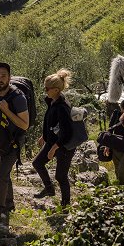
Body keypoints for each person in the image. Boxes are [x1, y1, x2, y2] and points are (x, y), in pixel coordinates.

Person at [0, 62, 29, 226]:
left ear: (9, 77)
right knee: (2, 173)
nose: (0, 79)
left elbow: (24, 125)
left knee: (0, 175)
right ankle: (9, 204)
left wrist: (7, 110)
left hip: (14, 141)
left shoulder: (18, 97)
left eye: (3, 76)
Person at [32, 69, 76, 207]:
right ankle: (49, 189)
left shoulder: (62, 107)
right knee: (37, 163)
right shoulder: (52, 102)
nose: (45, 91)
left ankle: (65, 204)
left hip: (64, 146)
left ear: (56, 90)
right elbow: (52, 123)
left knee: (61, 176)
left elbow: (66, 132)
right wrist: (44, 137)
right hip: (52, 142)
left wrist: (54, 149)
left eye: (47, 88)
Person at [106, 98, 124, 184]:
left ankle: (123, 185)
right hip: (116, 143)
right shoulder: (116, 114)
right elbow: (110, 129)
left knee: (123, 167)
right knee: (117, 166)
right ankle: (119, 184)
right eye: (123, 110)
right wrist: (107, 145)